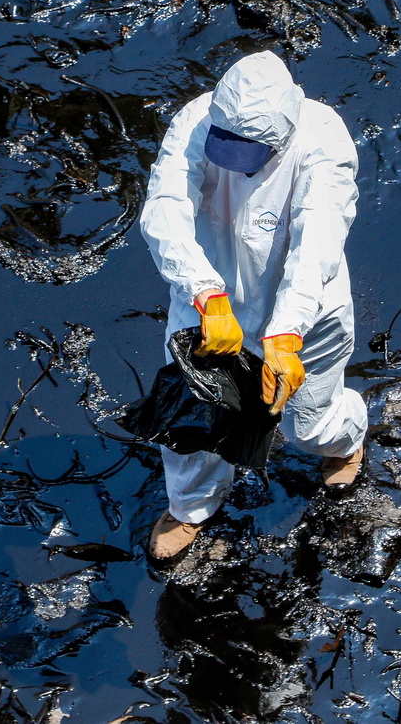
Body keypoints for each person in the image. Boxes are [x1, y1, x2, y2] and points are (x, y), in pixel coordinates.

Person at [139, 50, 368, 561]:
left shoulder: (323, 142)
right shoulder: (199, 120)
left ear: (282, 134)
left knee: (305, 424)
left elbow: (317, 246)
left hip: (304, 315)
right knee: (194, 419)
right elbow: (165, 208)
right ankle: (189, 509)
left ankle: (346, 439)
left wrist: (286, 332)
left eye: (250, 150)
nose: (234, 160)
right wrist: (204, 290)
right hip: (210, 306)